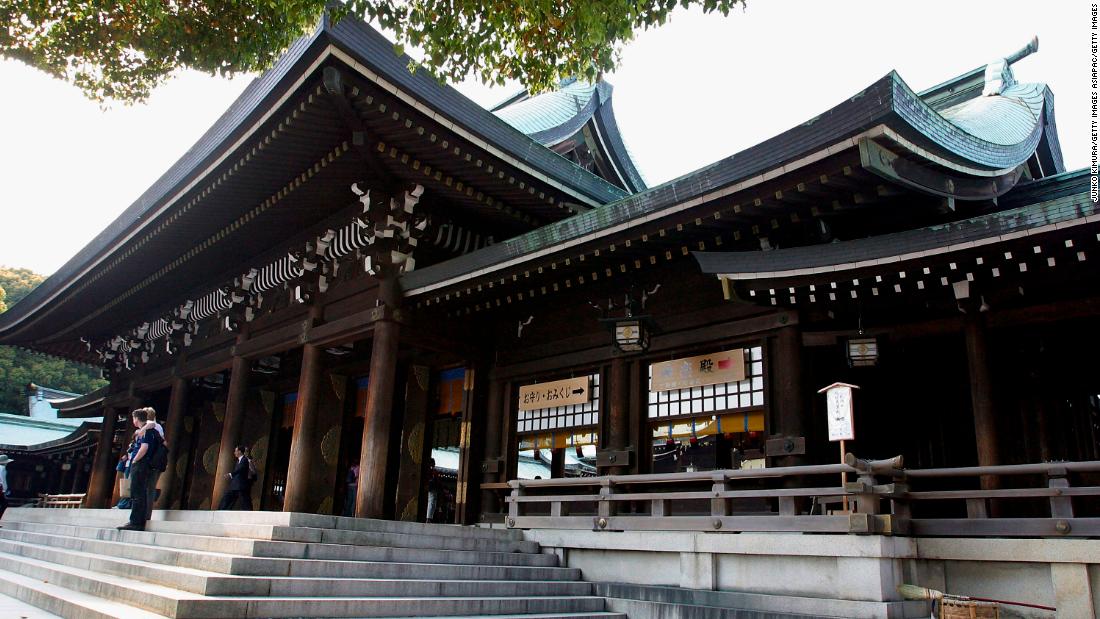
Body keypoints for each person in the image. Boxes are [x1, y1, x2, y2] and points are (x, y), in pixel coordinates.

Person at [117, 408, 162, 531]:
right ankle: (138, 520)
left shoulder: (147, 431)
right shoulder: (147, 430)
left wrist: (135, 460)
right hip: (144, 464)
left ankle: (136, 521)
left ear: (136, 418)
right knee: (139, 493)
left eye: (133, 418)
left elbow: (144, 447)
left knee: (138, 493)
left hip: (142, 464)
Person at [218, 445, 253, 510]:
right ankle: (222, 509)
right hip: (236, 485)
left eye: (235, 451)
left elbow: (240, 469)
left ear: (239, 452)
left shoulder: (245, 460)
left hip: (240, 485)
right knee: (228, 498)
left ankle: (249, 512)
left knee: (245, 500)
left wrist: (231, 474)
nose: (234, 452)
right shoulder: (238, 461)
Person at [426, 457, 440, 522]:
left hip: (433, 488)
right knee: (431, 502)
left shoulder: (432, 470)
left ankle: (430, 517)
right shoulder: (432, 470)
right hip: (432, 488)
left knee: (433, 503)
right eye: (433, 462)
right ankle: (428, 518)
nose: (434, 464)